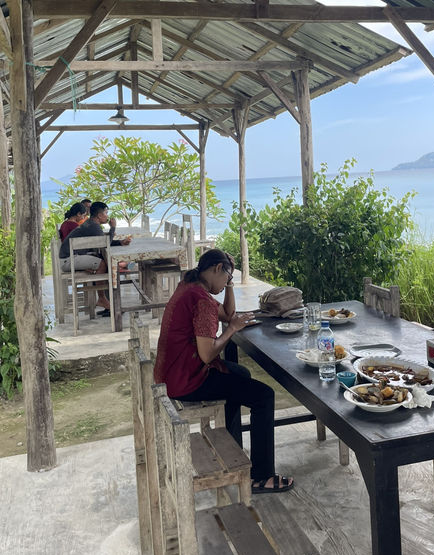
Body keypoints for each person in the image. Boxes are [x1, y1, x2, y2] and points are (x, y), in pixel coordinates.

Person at [154, 249, 294, 494]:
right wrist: (231, 330)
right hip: (186, 380)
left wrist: (229, 286)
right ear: (217, 268)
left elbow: (228, 314)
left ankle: (232, 450)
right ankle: (261, 477)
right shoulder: (202, 301)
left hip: (171, 373)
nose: (227, 282)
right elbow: (208, 354)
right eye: (227, 276)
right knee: (264, 396)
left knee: (240, 374)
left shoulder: (190, 286)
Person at [58, 201, 131, 316]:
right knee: (102, 264)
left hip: (70, 257)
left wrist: (120, 243)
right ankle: (102, 298)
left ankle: (106, 302)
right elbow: (104, 244)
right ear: (100, 215)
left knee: (104, 263)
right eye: (106, 213)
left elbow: (102, 241)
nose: (107, 216)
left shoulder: (91, 224)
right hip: (69, 260)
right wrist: (113, 228)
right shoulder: (93, 226)